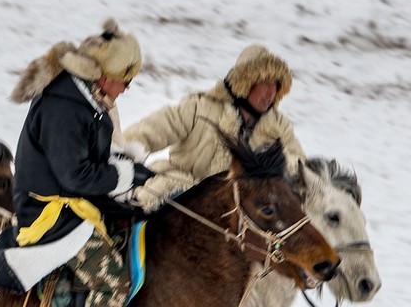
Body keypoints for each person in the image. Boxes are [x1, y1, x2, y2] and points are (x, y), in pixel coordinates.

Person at [0, 18, 154, 307]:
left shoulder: (89, 102)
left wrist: (130, 178)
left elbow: (92, 168)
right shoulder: (64, 107)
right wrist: (123, 176)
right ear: (102, 74)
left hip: (75, 205)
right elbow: (76, 176)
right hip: (48, 213)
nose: (128, 86)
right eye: (125, 77)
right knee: (112, 279)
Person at [119, 44, 306, 209]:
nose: (271, 92)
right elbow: (152, 130)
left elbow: (300, 166)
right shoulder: (201, 107)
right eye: (266, 83)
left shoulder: (278, 125)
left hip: (240, 210)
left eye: (276, 85)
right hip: (182, 191)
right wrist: (117, 154)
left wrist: (271, 161)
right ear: (246, 81)